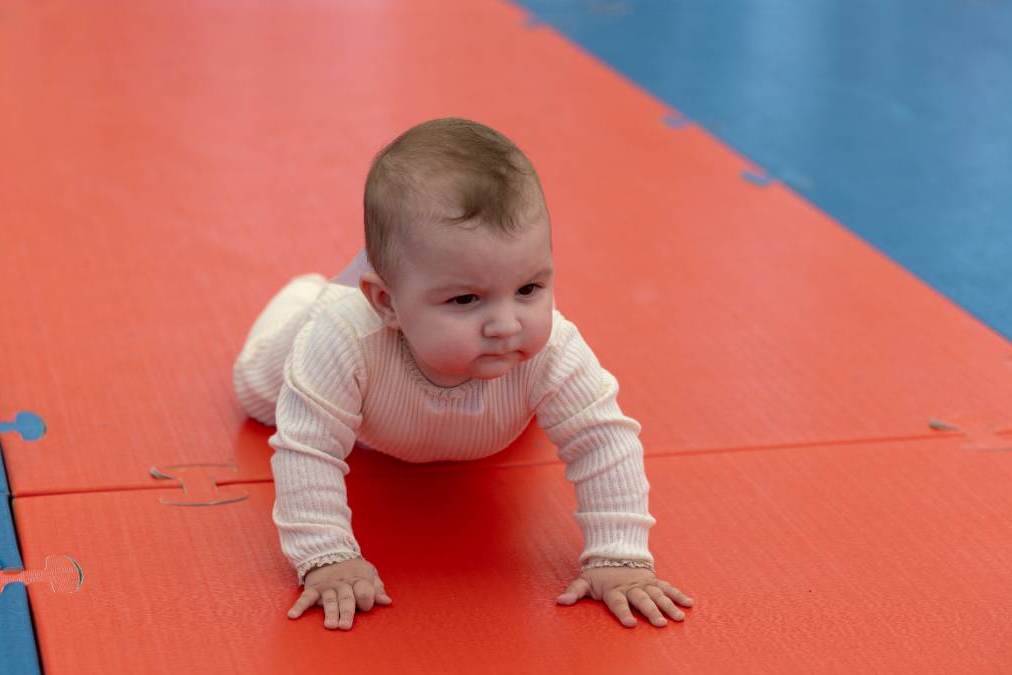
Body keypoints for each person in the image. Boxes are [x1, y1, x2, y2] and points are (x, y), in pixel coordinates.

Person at [233, 117, 693, 631]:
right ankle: (312, 290)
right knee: (257, 395)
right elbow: (309, 448)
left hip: (447, 403)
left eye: (529, 289)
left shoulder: (551, 348)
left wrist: (620, 557)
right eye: (466, 299)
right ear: (386, 303)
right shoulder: (343, 339)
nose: (505, 325)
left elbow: (604, 440)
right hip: (348, 361)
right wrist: (327, 556)